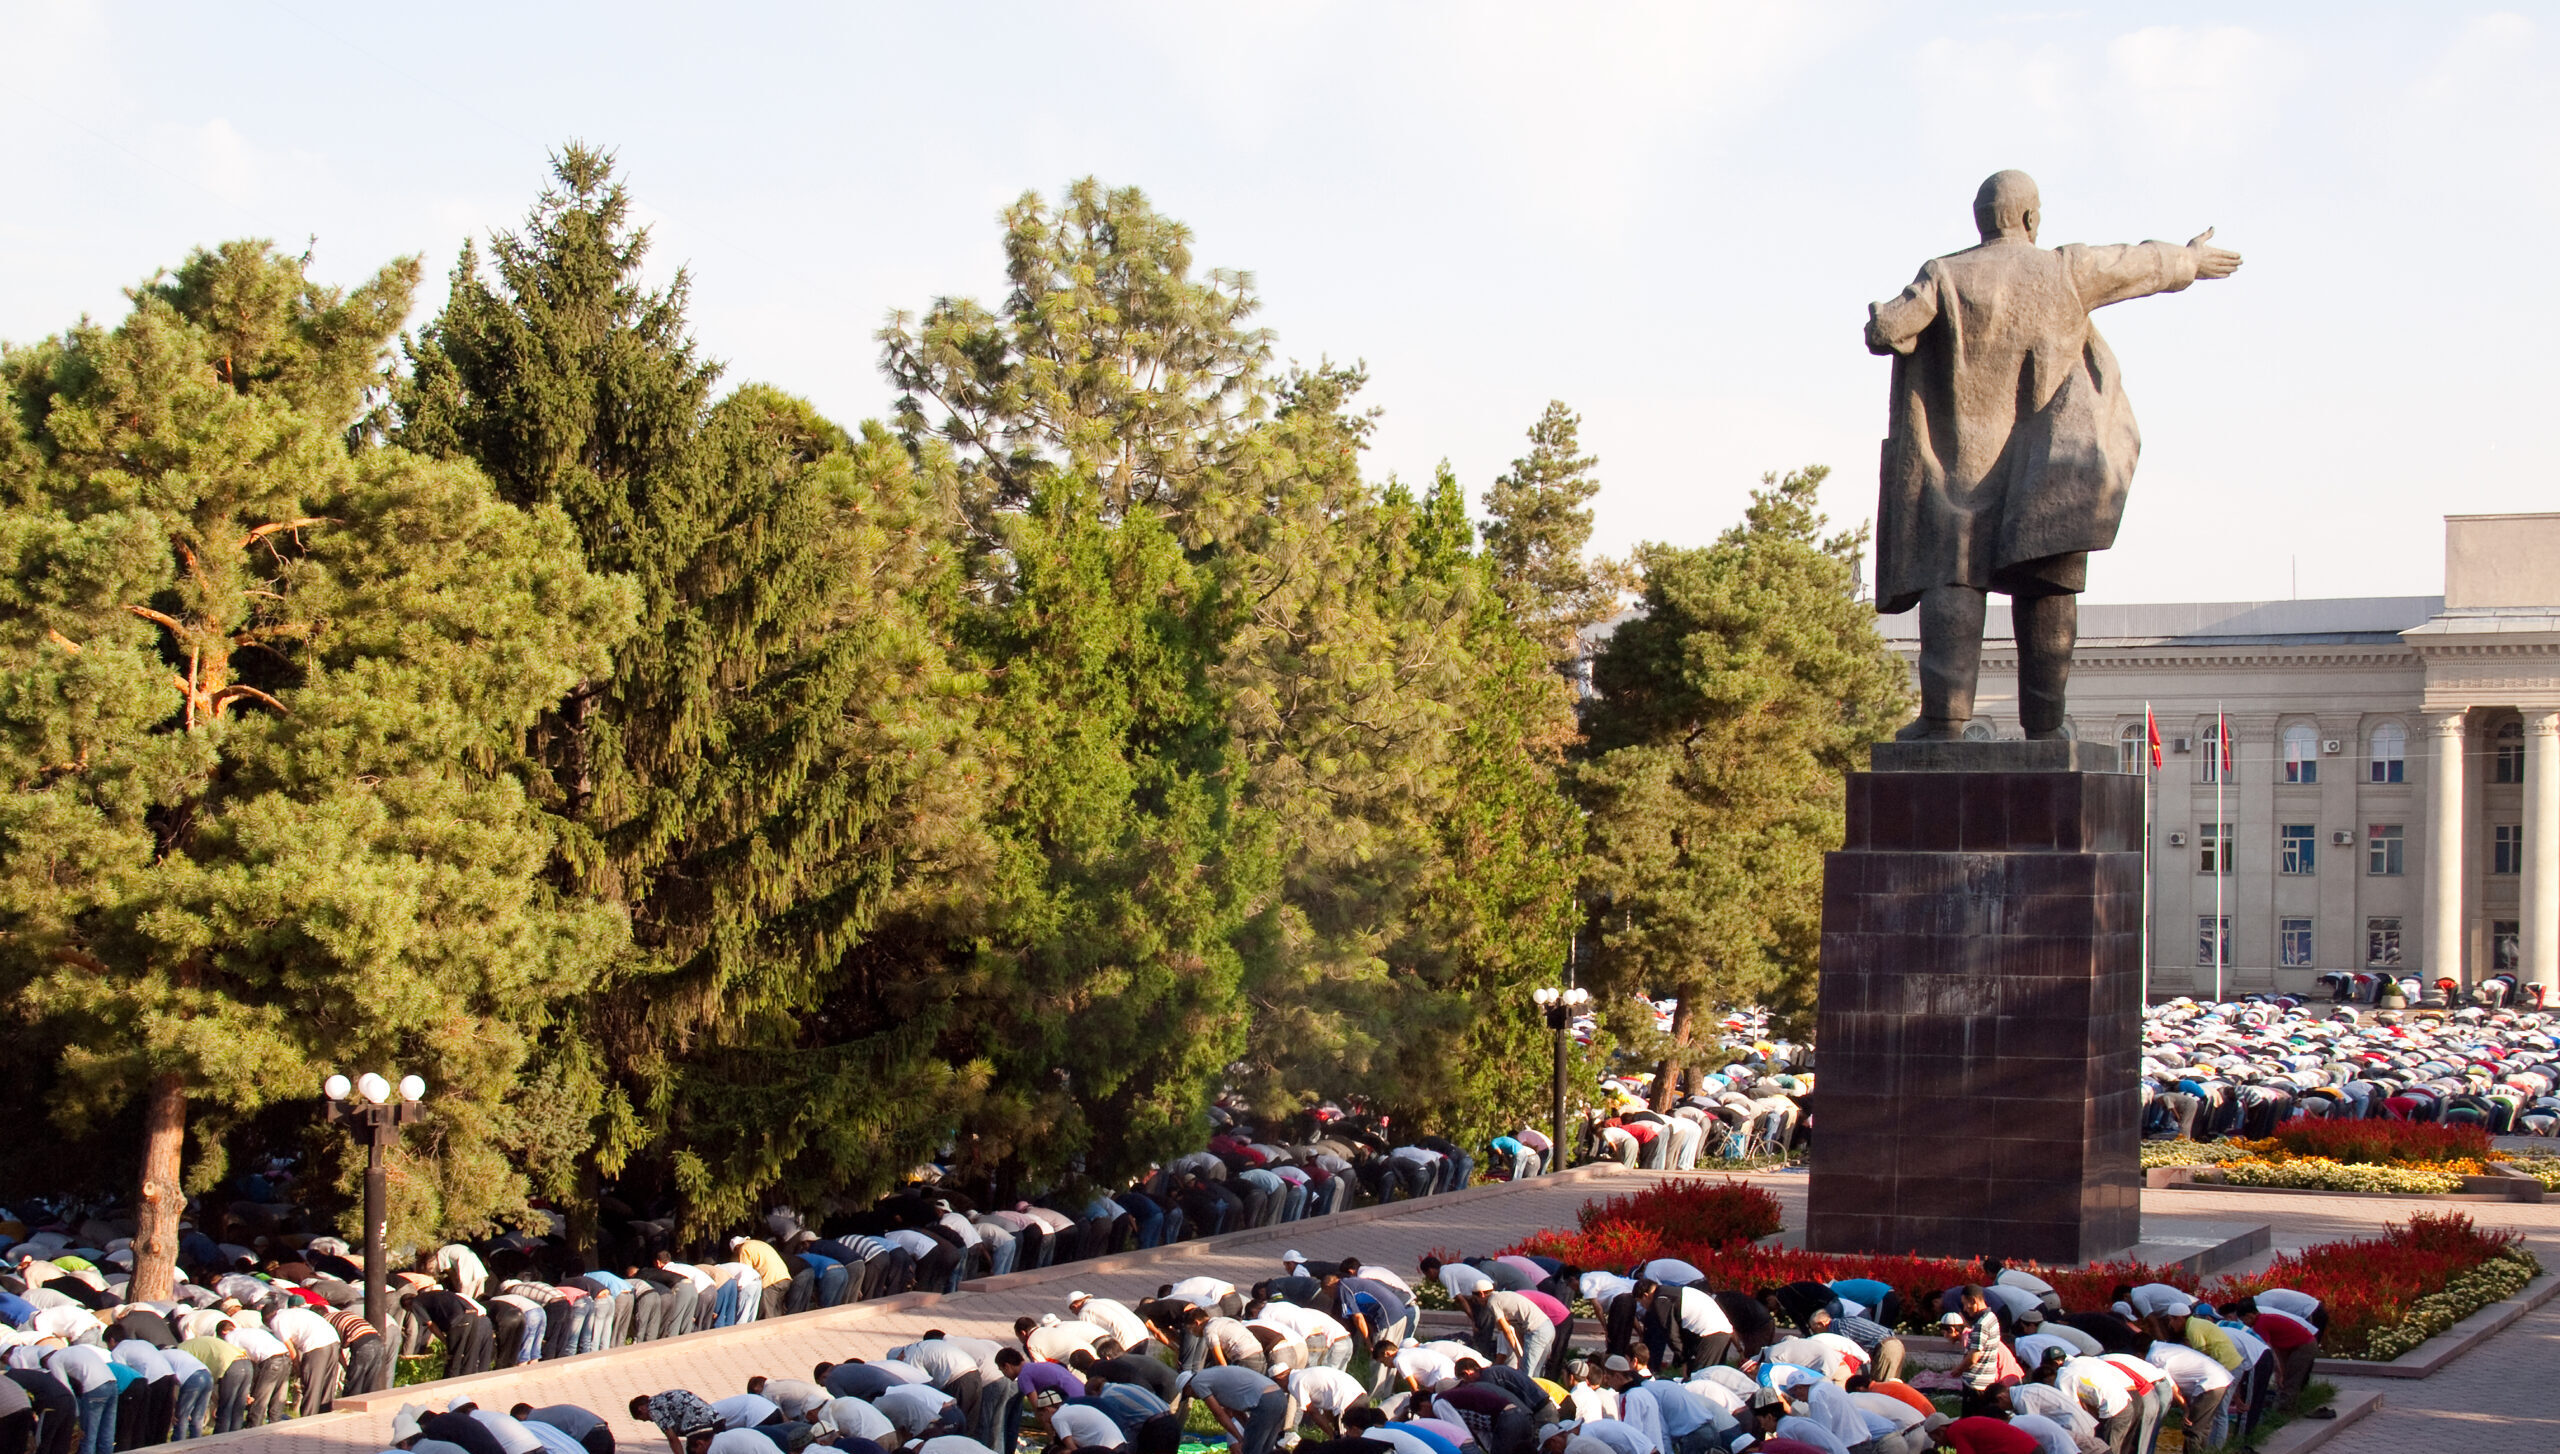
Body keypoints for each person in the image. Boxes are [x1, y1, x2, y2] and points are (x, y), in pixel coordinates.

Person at [1865, 168, 2242, 739]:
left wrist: (1884, 317)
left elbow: (1888, 330)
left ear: (1981, 219)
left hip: (1959, 468)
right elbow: (2138, 264)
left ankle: (1942, 724)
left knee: (1955, 584)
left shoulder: (1944, 274)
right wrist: (2189, 258)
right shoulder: (2064, 269)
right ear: (2031, 219)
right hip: (2045, 473)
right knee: (2046, 588)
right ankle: (2045, 728)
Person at [1185, 1366, 1289, 1454]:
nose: (1193, 1397)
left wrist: (1240, 1438)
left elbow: (1219, 1414)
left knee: (1251, 1450)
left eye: (1189, 1394)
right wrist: (1247, 1432)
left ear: (1188, 1386)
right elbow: (1236, 1411)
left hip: (1265, 1401)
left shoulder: (1196, 1382)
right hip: (1279, 1396)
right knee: (1266, 1450)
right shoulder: (1212, 1377)